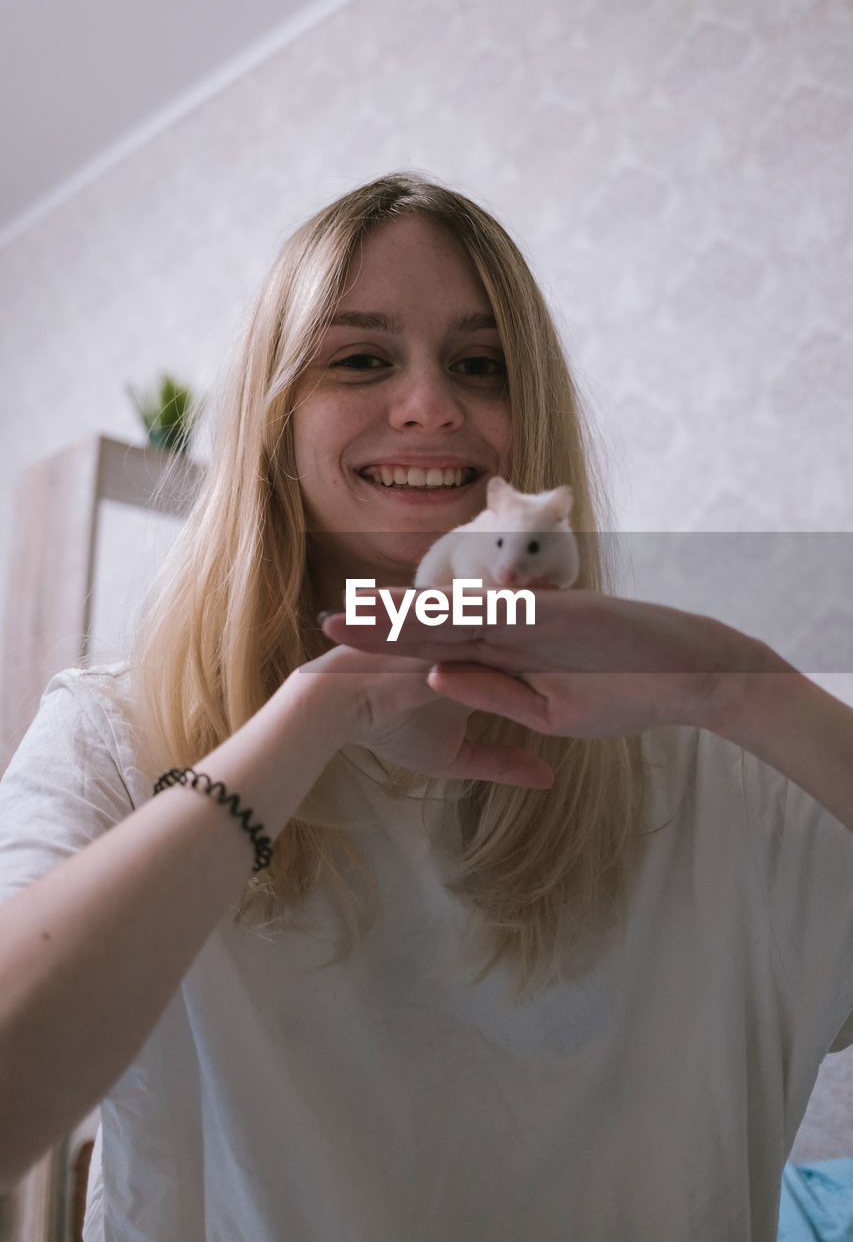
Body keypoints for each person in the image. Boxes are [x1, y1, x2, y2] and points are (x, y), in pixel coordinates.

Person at [0, 172, 851, 1242]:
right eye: (359, 358)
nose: (431, 405)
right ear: (273, 423)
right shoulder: (113, 741)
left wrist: (734, 684)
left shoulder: (710, 767)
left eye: (480, 364)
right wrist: (324, 706)